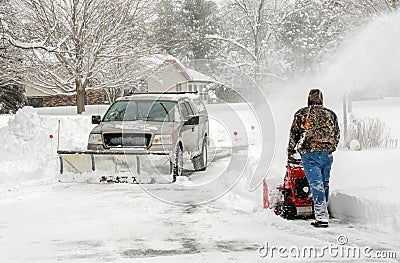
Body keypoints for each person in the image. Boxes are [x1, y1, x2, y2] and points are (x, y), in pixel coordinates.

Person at [287, 89, 340, 228]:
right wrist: (331, 147)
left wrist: (290, 150)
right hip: (327, 154)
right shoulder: (331, 114)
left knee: (316, 184)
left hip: (310, 154)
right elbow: (337, 134)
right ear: (321, 99)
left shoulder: (302, 113)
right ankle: (323, 212)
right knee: (324, 183)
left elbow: (294, 134)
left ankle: (322, 217)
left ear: (309, 99)